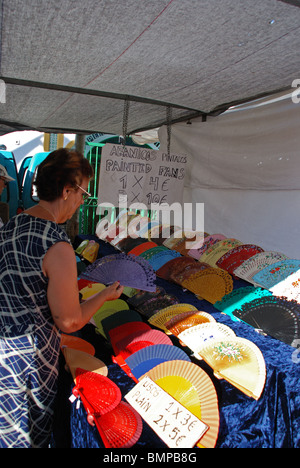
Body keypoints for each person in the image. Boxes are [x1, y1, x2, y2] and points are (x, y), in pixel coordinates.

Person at [0, 148, 124, 448]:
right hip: (29, 361)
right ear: (67, 190)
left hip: (4, 347)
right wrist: (105, 295)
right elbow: (69, 321)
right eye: (82, 193)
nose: (83, 201)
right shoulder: (57, 244)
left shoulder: (11, 225)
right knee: (27, 436)